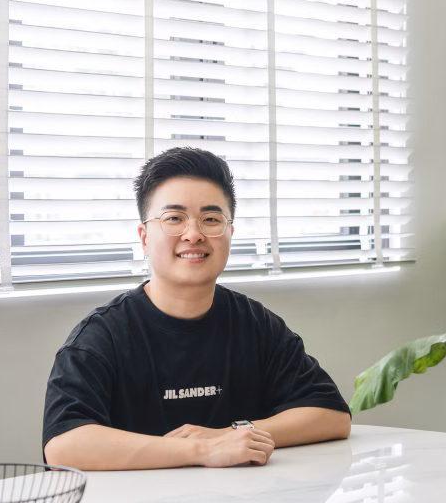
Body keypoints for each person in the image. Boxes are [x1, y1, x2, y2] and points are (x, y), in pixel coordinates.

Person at [42, 147, 351, 470]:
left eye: (211, 220)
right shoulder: (101, 336)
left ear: (230, 233)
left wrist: (232, 434)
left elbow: (331, 414)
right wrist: (202, 450)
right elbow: (63, 446)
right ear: (144, 237)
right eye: (174, 219)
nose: (193, 234)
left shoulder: (256, 324)